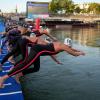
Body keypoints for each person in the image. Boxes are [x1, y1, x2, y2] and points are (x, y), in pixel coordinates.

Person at [0, 37, 85, 88]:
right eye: (69, 47)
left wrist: (79, 50)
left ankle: (18, 75)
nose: (69, 47)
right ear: (68, 45)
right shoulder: (64, 46)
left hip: (38, 51)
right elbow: (74, 54)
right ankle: (3, 78)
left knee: (36, 68)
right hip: (37, 50)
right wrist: (80, 53)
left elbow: (71, 50)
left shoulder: (61, 44)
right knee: (25, 63)